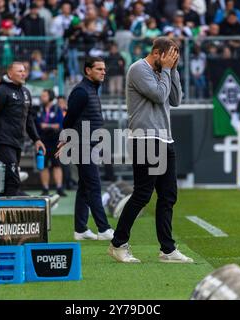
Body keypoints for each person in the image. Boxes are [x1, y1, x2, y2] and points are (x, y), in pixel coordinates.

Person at [108, 37, 194, 263]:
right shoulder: (138, 69)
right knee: (142, 195)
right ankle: (118, 244)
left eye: (176, 57)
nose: (172, 60)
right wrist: (166, 70)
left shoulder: (164, 71)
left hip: (165, 139)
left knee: (168, 196)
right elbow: (159, 95)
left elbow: (175, 99)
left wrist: (172, 70)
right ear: (157, 53)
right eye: (170, 56)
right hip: (145, 139)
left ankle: (167, 249)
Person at [56, 56, 114, 241]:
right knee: (94, 186)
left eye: (104, 69)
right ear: (88, 71)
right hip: (83, 144)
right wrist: (65, 138)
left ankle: (80, 229)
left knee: (84, 187)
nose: (103, 72)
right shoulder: (81, 91)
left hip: (91, 144)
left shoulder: (91, 89)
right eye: (99, 69)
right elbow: (69, 118)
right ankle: (104, 228)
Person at [0, 61, 45, 196]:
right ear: (10, 74)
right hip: (2, 142)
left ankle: (2, 210)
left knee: (9, 180)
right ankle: (8, 210)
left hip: (17, 143)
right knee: (13, 178)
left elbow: (29, 119)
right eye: (19, 71)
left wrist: (36, 139)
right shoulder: (0, 91)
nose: (23, 73)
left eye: (24, 71)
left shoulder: (26, 93)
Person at [36, 89, 66, 197]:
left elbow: (59, 125)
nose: (42, 97)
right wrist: (48, 126)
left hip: (55, 141)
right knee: (43, 165)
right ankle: (45, 188)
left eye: (44, 96)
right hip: (42, 141)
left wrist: (46, 126)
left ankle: (59, 188)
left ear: (50, 97)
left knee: (57, 165)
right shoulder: (39, 109)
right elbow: (38, 124)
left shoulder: (57, 109)